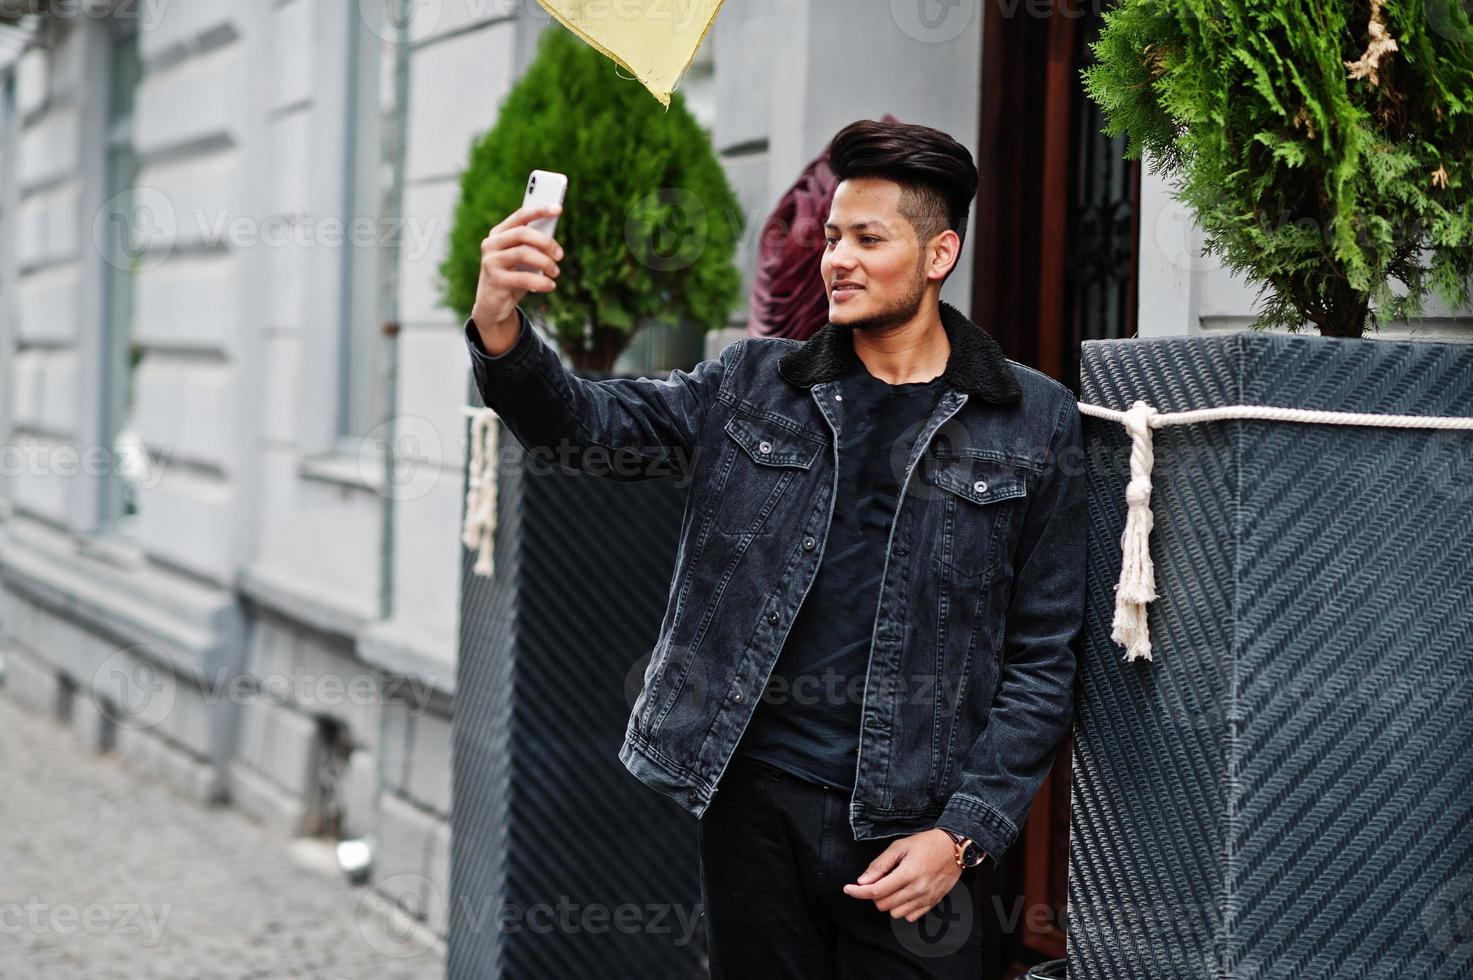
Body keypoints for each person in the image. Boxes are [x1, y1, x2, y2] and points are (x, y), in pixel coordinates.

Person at [464, 118, 1087, 978]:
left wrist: (962, 833)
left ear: (938, 255)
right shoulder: (756, 383)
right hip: (756, 804)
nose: (837, 259)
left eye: (869, 238)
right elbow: (584, 426)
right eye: (833, 237)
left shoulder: (1034, 418)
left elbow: (1044, 656)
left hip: (912, 830)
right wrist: (499, 323)